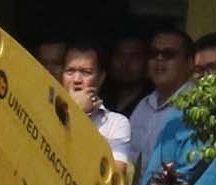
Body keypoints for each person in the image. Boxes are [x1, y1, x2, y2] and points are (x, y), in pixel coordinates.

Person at [127, 25, 193, 170]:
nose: (159, 58)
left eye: (168, 54)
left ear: (189, 63)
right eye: (153, 53)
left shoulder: (197, 107)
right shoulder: (143, 106)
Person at [59, 45, 131, 164]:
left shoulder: (116, 123)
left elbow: (117, 170)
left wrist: (80, 116)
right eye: (70, 71)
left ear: (101, 78)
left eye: (86, 72)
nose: (77, 80)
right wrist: (72, 112)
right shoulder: (46, 112)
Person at [105, 33, 151, 114]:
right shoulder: (100, 98)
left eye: (134, 56)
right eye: (120, 55)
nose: (125, 63)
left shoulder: (153, 102)